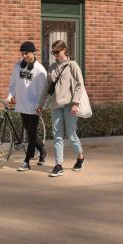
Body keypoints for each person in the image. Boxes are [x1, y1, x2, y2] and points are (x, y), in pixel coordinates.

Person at [4, 40, 49, 172]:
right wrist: (9, 96)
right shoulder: (18, 67)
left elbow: (45, 91)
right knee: (30, 133)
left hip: (34, 107)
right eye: (22, 53)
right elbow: (12, 84)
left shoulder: (40, 70)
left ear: (33, 52)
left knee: (32, 135)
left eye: (26, 53)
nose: (24, 56)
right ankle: (42, 151)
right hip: (22, 105)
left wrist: (41, 106)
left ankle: (26, 161)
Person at [45, 39, 86, 177]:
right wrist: (40, 105)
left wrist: (75, 103)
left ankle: (80, 157)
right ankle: (58, 165)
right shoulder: (51, 68)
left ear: (64, 50)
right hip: (56, 106)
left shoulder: (72, 65)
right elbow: (47, 89)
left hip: (69, 105)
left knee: (71, 134)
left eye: (57, 52)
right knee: (57, 135)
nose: (55, 55)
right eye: (53, 52)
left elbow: (80, 84)